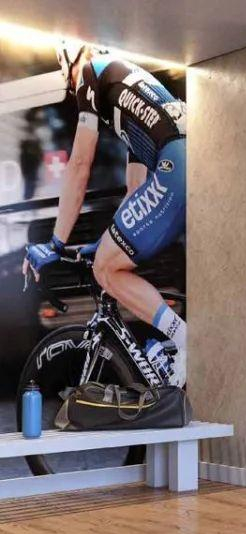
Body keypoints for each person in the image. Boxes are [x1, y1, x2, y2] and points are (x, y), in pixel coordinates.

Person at [24, 41, 188, 386]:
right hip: (187, 163)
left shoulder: (90, 70)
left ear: (68, 59)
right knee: (110, 257)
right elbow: (135, 191)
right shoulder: (126, 90)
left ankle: (185, 340)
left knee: (105, 269)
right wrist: (103, 242)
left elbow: (80, 164)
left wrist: (56, 243)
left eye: (66, 76)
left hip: (177, 167)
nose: (72, 88)